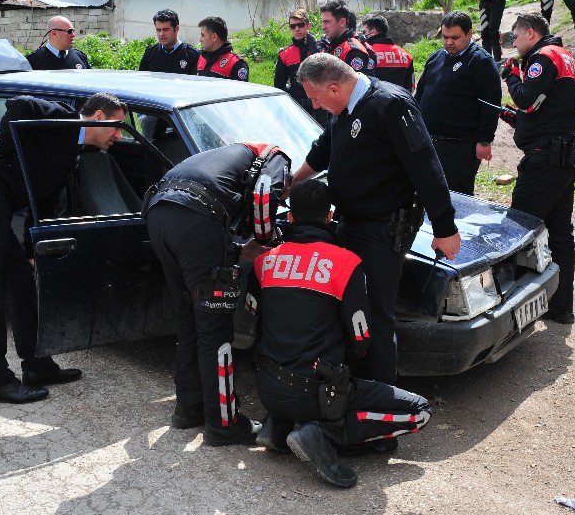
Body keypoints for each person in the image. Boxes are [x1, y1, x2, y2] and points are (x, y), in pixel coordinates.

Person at [291, 53, 461, 385]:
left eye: (315, 97)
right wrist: (292, 184)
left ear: (335, 88)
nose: (315, 105)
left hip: (383, 228)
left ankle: (383, 407)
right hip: (353, 223)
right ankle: (355, 388)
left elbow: (426, 167)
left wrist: (445, 227)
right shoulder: (345, 110)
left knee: (376, 315)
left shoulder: (390, 105)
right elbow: (322, 150)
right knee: (353, 308)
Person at [0, 93, 126, 403]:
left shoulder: (72, 154)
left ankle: (37, 365)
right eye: (117, 126)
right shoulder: (63, 120)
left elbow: (39, 200)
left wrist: (32, 250)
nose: (119, 136)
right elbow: (19, 104)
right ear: (99, 116)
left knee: (22, 284)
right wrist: (3, 145)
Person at [252, 178, 432, 488]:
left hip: (267, 388)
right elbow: (361, 340)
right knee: (420, 411)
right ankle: (322, 433)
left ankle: (278, 424)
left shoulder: (263, 262)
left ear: (291, 217)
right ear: (330, 217)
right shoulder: (346, 264)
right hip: (317, 395)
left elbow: (254, 323)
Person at [144, 142, 291, 445]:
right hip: (197, 219)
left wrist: (237, 248)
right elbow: (264, 195)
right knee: (215, 328)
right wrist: (264, 239)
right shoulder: (277, 157)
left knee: (188, 316)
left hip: (158, 214)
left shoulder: (224, 156)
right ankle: (224, 424)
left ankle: (188, 409)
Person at [500, 13, 575, 325]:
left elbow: (527, 99)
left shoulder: (543, 57)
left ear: (530, 34)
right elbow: (549, 109)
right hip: (564, 155)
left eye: (516, 38)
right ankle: (561, 307)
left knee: (517, 228)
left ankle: (511, 313)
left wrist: (510, 75)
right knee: (560, 232)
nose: (515, 45)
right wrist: (518, 119)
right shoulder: (565, 57)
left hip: (546, 158)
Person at [415, 11, 502, 195]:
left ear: (469, 34)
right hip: (429, 141)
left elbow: (490, 105)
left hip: (460, 147)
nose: (448, 42)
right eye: (445, 37)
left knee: (456, 199)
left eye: (455, 37)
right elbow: (421, 93)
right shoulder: (436, 57)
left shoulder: (480, 61)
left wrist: (485, 141)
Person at [274, 8, 323, 123]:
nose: (297, 29)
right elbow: (278, 86)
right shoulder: (285, 54)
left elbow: (323, 74)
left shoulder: (321, 48)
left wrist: (314, 48)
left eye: (300, 25)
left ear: (308, 25)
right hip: (296, 107)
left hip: (320, 105)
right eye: (293, 26)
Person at [318, 1, 376, 75]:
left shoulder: (352, 50)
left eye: (327, 22)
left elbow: (354, 85)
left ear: (342, 22)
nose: (323, 27)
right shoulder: (331, 44)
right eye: (322, 22)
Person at [360, 14, 414, 91]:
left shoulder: (365, 53)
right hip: (400, 100)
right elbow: (411, 88)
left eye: (364, 32)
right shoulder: (406, 55)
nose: (363, 36)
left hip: (373, 101)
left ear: (373, 32)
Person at [137, 9, 200, 74]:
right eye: (158, 30)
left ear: (176, 29)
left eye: (166, 30)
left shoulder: (192, 55)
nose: (161, 34)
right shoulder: (149, 53)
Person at [25, 16, 92, 70]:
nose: (73, 35)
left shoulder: (80, 57)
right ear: (54, 33)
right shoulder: (33, 61)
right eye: (69, 31)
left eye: (73, 31)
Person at [195, 16, 249, 81]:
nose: (200, 39)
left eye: (203, 35)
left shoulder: (237, 63)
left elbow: (240, 90)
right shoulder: (200, 58)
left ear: (214, 37)